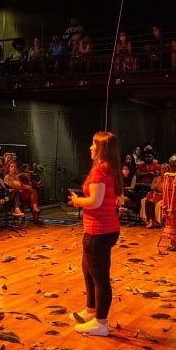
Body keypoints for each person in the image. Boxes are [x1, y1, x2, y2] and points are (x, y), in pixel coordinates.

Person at [68, 131, 122, 337]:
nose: (90, 148)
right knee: (88, 270)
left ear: (101, 149)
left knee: (100, 278)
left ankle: (101, 323)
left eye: (93, 144)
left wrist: (77, 200)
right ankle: (91, 310)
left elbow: (95, 202)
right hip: (104, 228)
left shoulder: (100, 171)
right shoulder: (112, 170)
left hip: (99, 230)